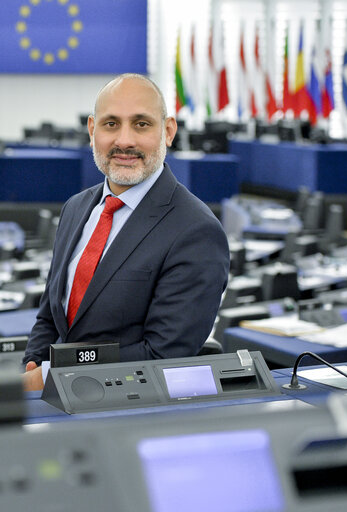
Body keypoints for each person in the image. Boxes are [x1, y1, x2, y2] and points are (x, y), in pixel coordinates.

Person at [22, 74, 229, 390]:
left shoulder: (196, 231)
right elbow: (50, 315)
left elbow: (163, 356)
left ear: (168, 131)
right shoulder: (75, 208)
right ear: (93, 131)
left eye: (142, 124)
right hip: (56, 405)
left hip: (128, 416)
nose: (125, 141)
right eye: (111, 124)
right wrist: (33, 363)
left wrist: (53, 376)